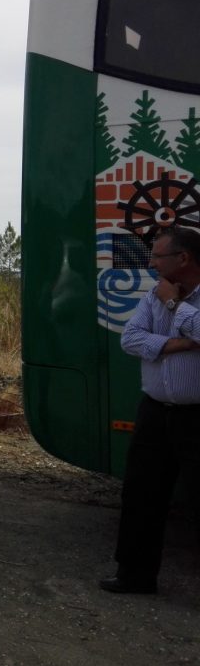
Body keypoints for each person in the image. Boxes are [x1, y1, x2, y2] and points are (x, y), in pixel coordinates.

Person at [102, 227, 200, 595]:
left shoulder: (167, 297)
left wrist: (175, 306)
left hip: (196, 417)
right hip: (155, 413)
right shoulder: (153, 295)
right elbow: (130, 339)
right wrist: (184, 343)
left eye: (158, 256)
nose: (151, 262)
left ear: (183, 258)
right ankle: (135, 576)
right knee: (142, 496)